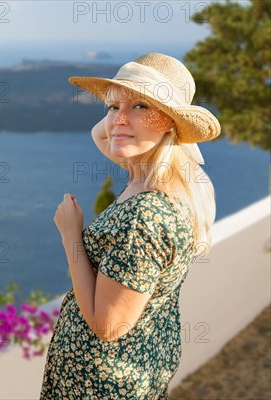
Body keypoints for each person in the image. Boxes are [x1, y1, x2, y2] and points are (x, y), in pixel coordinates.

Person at [40, 53, 221, 399]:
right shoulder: (153, 181)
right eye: (112, 107)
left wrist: (70, 236)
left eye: (141, 106)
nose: (119, 119)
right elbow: (103, 134)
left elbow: (108, 325)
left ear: (170, 122)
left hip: (102, 385)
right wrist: (124, 115)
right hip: (128, 370)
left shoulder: (145, 214)